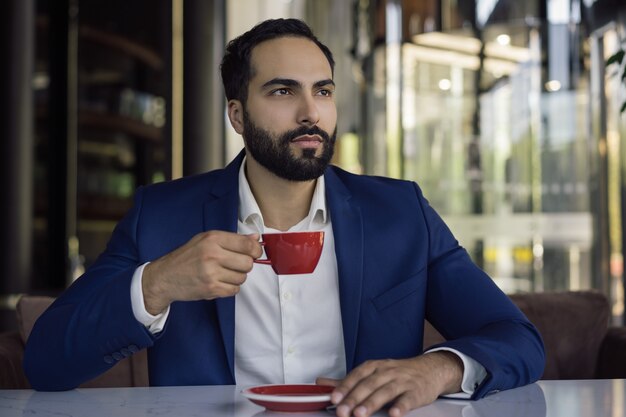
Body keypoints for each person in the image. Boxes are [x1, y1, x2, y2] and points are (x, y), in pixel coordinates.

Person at [24, 18, 545, 417]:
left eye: (322, 90)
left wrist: (437, 369)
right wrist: (157, 283)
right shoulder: (161, 216)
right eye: (282, 91)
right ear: (237, 114)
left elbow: (517, 339)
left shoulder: (400, 214)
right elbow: (46, 363)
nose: (310, 112)